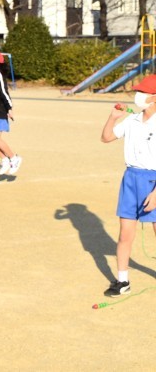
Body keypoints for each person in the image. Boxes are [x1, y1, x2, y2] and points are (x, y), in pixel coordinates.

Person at [100, 74, 156, 297]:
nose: (137, 96)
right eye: (137, 91)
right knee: (125, 234)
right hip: (130, 179)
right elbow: (106, 138)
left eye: (142, 92)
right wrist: (113, 118)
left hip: (153, 181)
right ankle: (122, 281)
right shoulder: (132, 120)